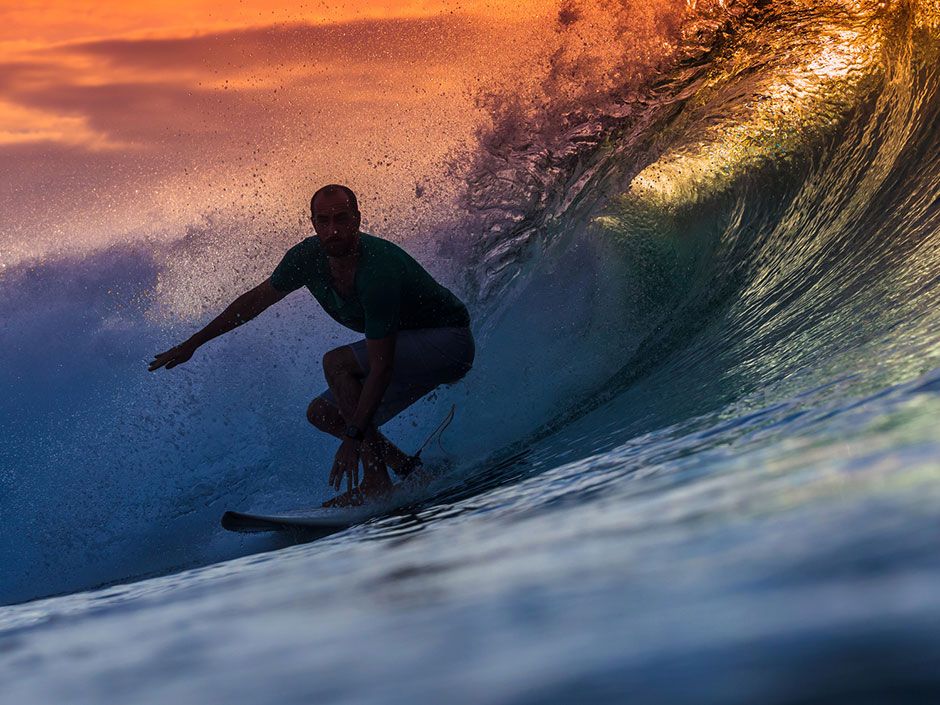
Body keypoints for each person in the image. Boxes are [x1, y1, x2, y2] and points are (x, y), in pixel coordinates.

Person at [149, 184, 474, 506]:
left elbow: (382, 367)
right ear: (313, 224)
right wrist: (194, 343)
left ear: (357, 220)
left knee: (337, 363)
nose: (333, 229)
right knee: (324, 413)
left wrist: (353, 438)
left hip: (449, 342)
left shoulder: (378, 269)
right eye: (323, 221)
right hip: (409, 347)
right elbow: (254, 302)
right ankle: (407, 469)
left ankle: (377, 483)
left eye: (341, 219)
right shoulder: (306, 258)